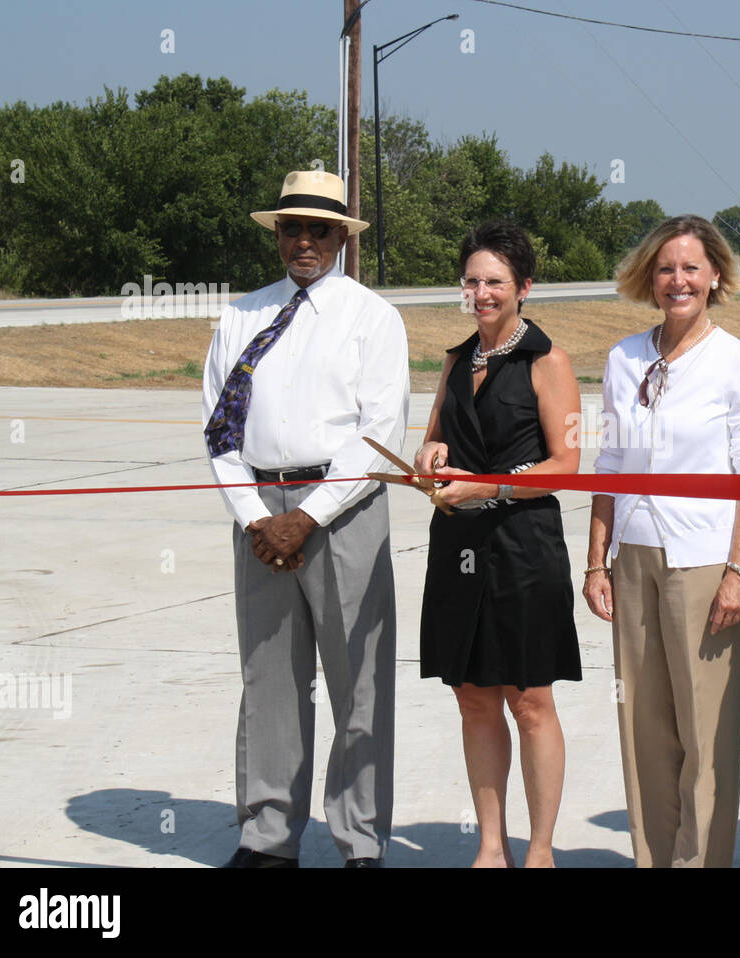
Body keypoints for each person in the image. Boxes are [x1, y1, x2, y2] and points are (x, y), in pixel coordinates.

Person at [202, 170, 409, 868]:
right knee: (269, 679)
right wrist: (255, 516)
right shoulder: (240, 316)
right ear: (278, 236)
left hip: (342, 511)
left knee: (360, 680)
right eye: (292, 227)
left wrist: (309, 517)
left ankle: (359, 840)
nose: (304, 241)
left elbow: (380, 431)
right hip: (259, 516)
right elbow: (219, 429)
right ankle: (267, 837)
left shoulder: (372, 317)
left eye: (319, 229)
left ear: (341, 239)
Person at [582, 214, 740, 867]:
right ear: (649, 277)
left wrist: (738, 572)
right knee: (645, 729)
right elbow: (609, 464)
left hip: (705, 561)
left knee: (705, 732)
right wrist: (595, 561)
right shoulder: (623, 357)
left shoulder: (737, 363)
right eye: (666, 268)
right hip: (632, 557)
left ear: (716, 275)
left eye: (691, 267)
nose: (678, 280)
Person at [414, 221, 582, 868]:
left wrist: (485, 488)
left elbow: (566, 465)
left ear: (524, 288)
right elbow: (433, 444)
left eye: (495, 282)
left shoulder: (547, 360)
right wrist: (430, 457)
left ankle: (539, 850)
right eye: (473, 281)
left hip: (522, 544)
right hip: (455, 542)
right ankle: (491, 845)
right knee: (473, 692)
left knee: (529, 697)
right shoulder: (457, 360)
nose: (481, 293)